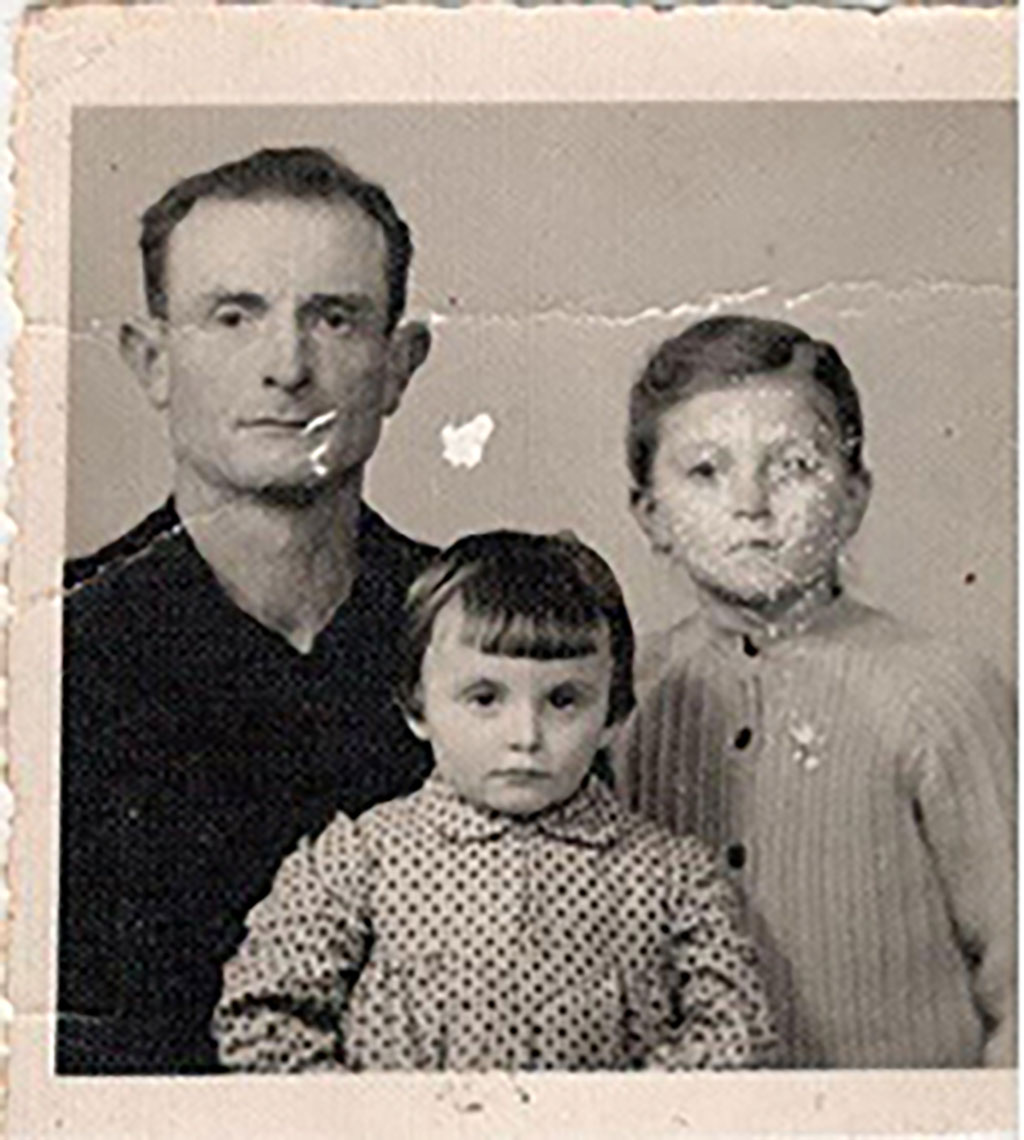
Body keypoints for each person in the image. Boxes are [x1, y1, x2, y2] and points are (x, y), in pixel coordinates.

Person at [58, 147, 437, 1074]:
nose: (287, 368)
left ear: (398, 364)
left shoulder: (482, 640)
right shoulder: (44, 649)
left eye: (335, 318)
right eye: (234, 316)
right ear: (151, 361)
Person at [212, 531, 777, 1072]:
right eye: (485, 698)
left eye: (563, 700)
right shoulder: (358, 862)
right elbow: (263, 1016)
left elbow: (737, 1032)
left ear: (612, 714)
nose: (525, 735)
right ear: (417, 709)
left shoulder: (671, 877)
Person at [617, 314, 1016, 1068]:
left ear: (855, 493)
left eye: (794, 465)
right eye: (706, 471)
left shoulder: (941, 691)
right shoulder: (624, 699)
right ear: (651, 514)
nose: (752, 504)